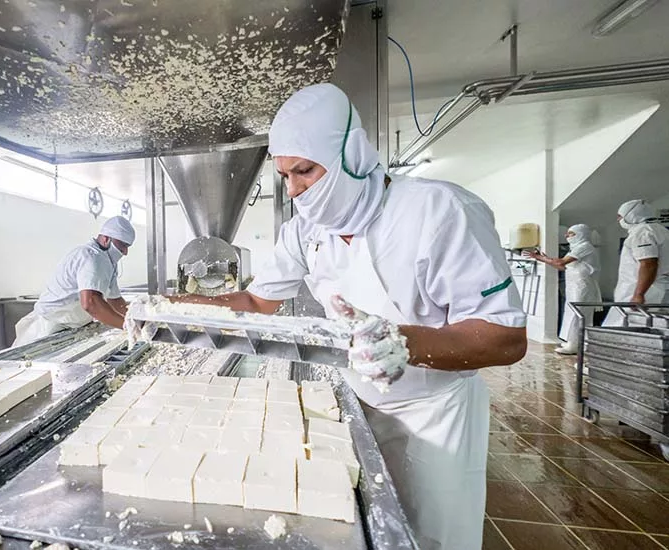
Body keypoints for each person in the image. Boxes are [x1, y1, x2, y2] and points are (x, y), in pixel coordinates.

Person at [168, 84, 527, 549]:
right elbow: (257, 303)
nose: (295, 189)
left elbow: (504, 336)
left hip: (433, 413)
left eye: (306, 171)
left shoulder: (439, 211)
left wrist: (402, 343)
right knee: (364, 531)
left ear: (352, 155)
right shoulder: (305, 230)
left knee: (433, 536)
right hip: (355, 402)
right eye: (285, 176)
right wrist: (173, 308)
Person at [12, 216, 134, 347]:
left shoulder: (109, 262)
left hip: (72, 326)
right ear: (106, 238)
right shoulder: (90, 256)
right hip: (49, 328)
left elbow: (115, 301)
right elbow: (91, 303)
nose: (125, 252)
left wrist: (138, 319)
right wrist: (127, 325)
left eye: (128, 247)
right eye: (122, 246)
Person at [526, 224, 602, 354]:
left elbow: (561, 262)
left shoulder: (585, 246)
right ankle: (574, 342)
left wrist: (540, 257)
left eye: (571, 233)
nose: (567, 236)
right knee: (572, 313)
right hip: (574, 285)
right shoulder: (576, 248)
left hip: (583, 287)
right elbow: (563, 267)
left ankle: (576, 344)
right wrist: (546, 260)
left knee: (578, 314)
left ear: (581, 234)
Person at [603, 199, 669, 326]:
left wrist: (639, 294)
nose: (618, 220)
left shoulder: (642, 232)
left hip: (644, 291)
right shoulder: (662, 231)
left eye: (620, 216)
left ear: (631, 215)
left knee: (627, 328)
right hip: (658, 289)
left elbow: (648, 263)